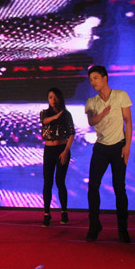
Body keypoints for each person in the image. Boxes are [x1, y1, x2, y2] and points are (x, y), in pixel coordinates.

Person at [84, 65, 132, 243]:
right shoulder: (92, 101)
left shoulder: (121, 95)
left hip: (119, 146)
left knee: (119, 188)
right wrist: (103, 114)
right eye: (91, 79)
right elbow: (91, 121)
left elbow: (128, 121)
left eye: (96, 78)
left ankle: (123, 230)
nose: (93, 82)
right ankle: (94, 225)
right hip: (101, 148)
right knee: (93, 187)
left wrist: (127, 146)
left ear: (105, 78)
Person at [40, 88, 75, 226]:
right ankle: (47, 214)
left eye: (55, 97)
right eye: (50, 97)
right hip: (49, 150)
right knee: (47, 182)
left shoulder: (66, 114)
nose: (53, 100)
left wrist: (66, 151)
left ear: (60, 98)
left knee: (60, 181)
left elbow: (71, 133)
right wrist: (55, 117)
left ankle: (64, 212)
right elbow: (45, 121)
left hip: (62, 149)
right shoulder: (44, 113)